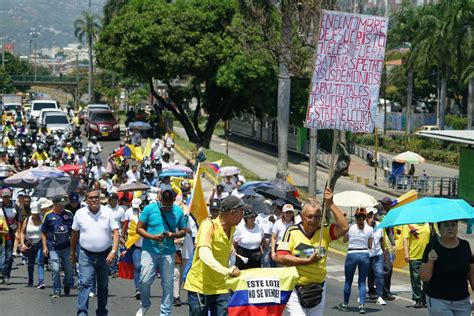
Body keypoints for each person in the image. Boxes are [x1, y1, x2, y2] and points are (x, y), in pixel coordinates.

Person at [274, 188, 349, 316]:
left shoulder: (324, 232)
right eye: (309, 216)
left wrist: (331, 204)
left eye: (317, 217)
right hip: (296, 289)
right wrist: (306, 261)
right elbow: (280, 257)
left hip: (318, 288)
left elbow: (344, 227)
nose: (313, 220)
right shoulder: (292, 232)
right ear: (302, 216)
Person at [184, 195, 245, 315]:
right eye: (241, 212)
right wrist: (226, 270)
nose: (243, 216)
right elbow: (204, 254)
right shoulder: (208, 226)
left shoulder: (232, 228)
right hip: (200, 286)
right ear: (232, 212)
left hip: (221, 287)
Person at [135, 189, 187, 316]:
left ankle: (165, 313)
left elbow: (184, 230)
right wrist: (152, 237)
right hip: (149, 250)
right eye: (165, 206)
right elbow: (139, 228)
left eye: (170, 206)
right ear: (160, 200)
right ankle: (145, 304)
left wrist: (172, 234)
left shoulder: (178, 211)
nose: (167, 208)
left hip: (168, 252)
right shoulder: (149, 209)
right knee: (145, 280)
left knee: (168, 284)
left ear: (174, 201)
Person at [70, 189, 120, 316]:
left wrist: (113, 251)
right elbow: (74, 234)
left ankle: (102, 312)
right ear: (86, 200)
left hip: (105, 254)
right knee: (85, 284)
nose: (94, 200)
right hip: (86, 254)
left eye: (96, 197)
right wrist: (72, 253)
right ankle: (82, 313)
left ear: (100, 198)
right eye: (91, 198)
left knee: (103, 285)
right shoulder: (80, 214)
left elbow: (115, 232)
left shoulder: (108, 212)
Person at [420, 220, 474, 315]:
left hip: (463, 301)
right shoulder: (432, 247)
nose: (450, 228)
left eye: (453, 225)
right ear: (439, 229)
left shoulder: (464, 245)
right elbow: (424, 277)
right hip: (438, 301)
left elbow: (471, 273)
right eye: (446, 225)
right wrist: (430, 261)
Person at [338, 208, 374, 314]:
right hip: (364, 254)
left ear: (355, 217)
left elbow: (344, 240)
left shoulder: (350, 227)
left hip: (351, 254)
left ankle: (345, 304)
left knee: (348, 281)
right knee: (362, 282)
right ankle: (362, 305)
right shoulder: (370, 229)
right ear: (365, 217)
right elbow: (370, 246)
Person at [41, 196, 74, 298]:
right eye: (60, 205)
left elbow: (73, 232)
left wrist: (74, 248)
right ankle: (57, 290)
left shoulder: (68, 214)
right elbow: (43, 232)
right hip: (53, 247)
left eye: (63, 205)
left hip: (66, 246)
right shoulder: (48, 215)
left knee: (69, 269)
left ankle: (67, 284)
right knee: (55, 269)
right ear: (54, 204)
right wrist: (45, 247)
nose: (62, 207)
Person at [403, 222, 431, 308]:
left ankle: (425, 297)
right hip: (414, 256)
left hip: (427, 256)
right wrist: (406, 254)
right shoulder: (408, 224)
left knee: (427, 279)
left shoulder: (429, 224)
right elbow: (405, 239)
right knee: (415, 279)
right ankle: (418, 299)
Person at [20, 201, 45, 288]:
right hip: (30, 244)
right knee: (30, 263)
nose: (35, 215)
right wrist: (22, 243)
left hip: (40, 243)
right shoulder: (27, 220)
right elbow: (22, 232)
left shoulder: (43, 219)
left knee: (40, 261)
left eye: (37, 213)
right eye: (34, 213)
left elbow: (45, 232)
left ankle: (41, 281)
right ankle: (30, 280)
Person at [122, 198, 144, 300]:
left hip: (148, 247)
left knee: (147, 269)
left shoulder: (148, 217)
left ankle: (145, 286)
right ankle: (138, 289)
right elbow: (126, 226)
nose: (135, 210)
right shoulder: (131, 216)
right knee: (137, 266)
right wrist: (123, 237)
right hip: (136, 245)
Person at [366, 208, 387, 305]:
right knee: (368, 274)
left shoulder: (379, 226)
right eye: (369, 215)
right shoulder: (363, 227)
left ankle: (380, 296)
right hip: (366, 255)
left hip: (378, 254)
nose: (371, 217)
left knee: (379, 274)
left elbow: (382, 241)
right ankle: (368, 292)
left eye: (372, 215)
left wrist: (384, 252)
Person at [1, 189, 20, 285]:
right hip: (1, 234)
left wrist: (19, 233)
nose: (6, 198)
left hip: (10, 234)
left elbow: (19, 220)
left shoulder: (15, 206)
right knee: (1, 255)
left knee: (8, 256)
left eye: (7, 196)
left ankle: (6, 275)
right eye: (4, 196)